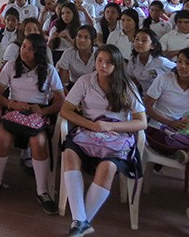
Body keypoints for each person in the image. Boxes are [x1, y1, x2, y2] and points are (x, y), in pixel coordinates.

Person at [60, 45, 148, 237]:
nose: (103, 65)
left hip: (116, 137)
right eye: (99, 60)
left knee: (107, 168)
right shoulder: (85, 81)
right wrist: (90, 125)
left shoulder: (127, 86)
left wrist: (111, 126)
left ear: (117, 65)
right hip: (89, 133)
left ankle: (81, 223)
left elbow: (141, 123)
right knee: (68, 153)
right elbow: (65, 110)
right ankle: (80, 221)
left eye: (108, 62)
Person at [0, 34, 64, 214]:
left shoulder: (48, 70)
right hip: (14, 110)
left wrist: (43, 111)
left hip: (37, 113)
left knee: (38, 142)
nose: (24, 51)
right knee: (3, 137)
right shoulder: (10, 66)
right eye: (23, 46)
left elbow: (60, 101)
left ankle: (42, 191)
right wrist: (12, 104)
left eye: (30, 49)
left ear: (39, 52)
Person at [144, 47, 189, 235]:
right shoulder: (165, 79)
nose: (181, 66)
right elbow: (147, 105)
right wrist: (170, 122)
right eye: (179, 62)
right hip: (160, 130)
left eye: (188, 63)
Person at [126, 28, 175, 94]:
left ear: (153, 46)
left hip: (164, 95)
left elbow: (177, 70)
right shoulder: (133, 60)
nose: (139, 43)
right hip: (145, 95)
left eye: (144, 40)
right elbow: (131, 78)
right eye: (137, 39)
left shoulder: (161, 61)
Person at [57, 25, 97, 91]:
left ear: (93, 40)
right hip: (74, 85)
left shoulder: (98, 54)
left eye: (86, 37)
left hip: (93, 87)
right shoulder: (69, 53)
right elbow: (61, 81)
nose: (81, 40)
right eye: (79, 36)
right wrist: (68, 98)